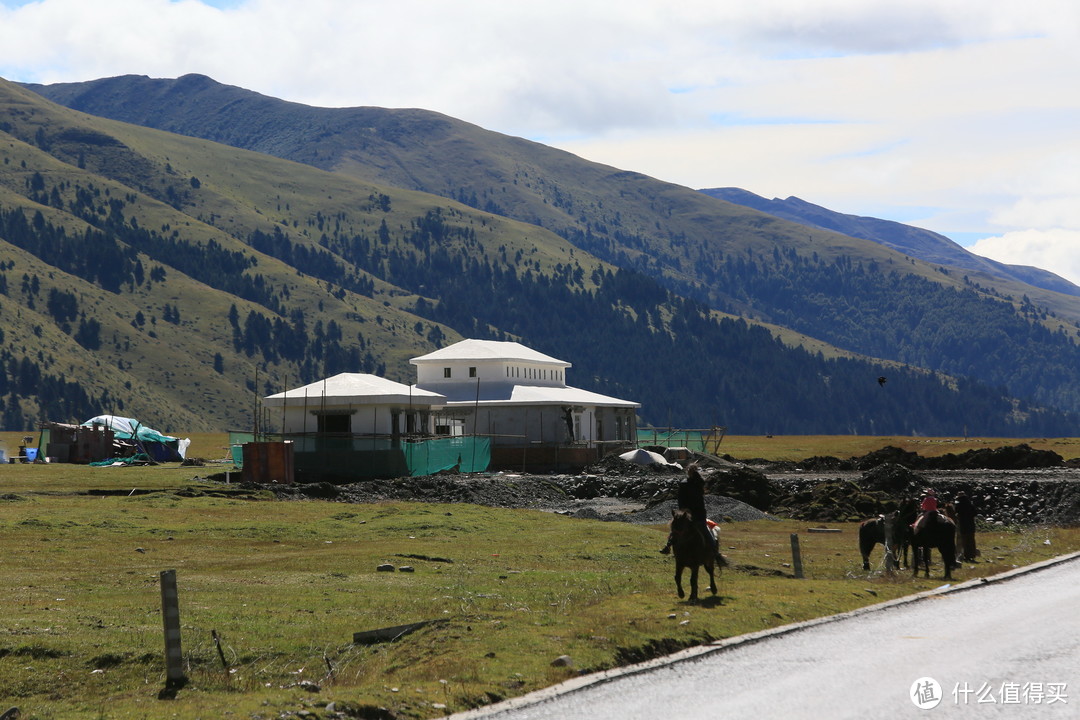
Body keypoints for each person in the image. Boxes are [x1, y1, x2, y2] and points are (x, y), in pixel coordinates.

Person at [660, 463, 718, 555]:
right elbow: (699, 500)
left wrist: (683, 510)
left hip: (686, 514)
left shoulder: (684, 484)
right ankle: (714, 551)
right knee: (705, 531)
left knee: (675, 529)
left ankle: (668, 546)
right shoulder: (700, 483)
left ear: (688, 472)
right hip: (699, 514)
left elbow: (681, 499)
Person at [955, 491, 978, 562]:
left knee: (964, 540)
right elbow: (975, 513)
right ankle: (972, 555)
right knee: (971, 540)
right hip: (971, 524)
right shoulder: (970, 504)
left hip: (963, 524)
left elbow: (956, 511)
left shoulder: (959, 504)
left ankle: (966, 555)